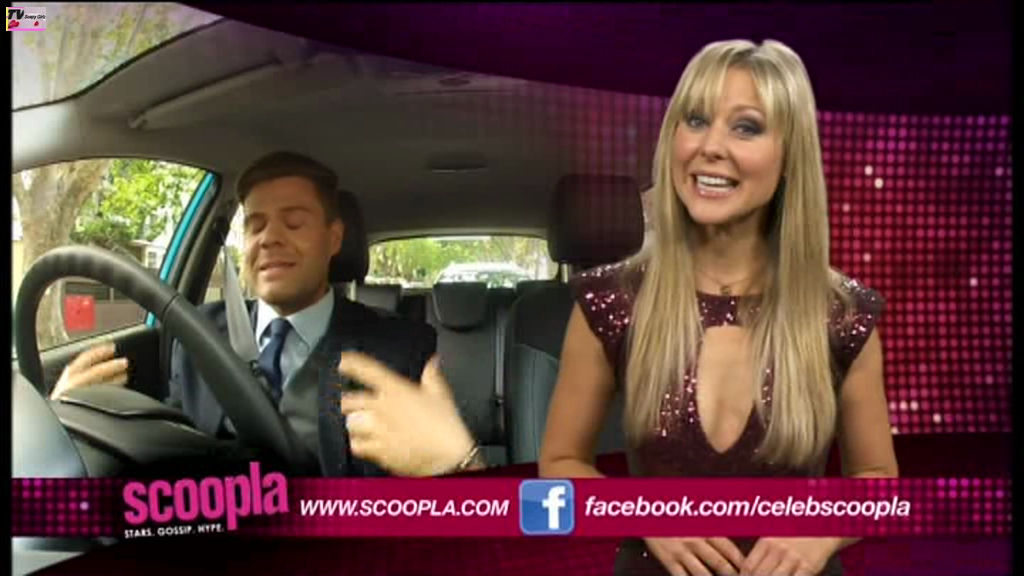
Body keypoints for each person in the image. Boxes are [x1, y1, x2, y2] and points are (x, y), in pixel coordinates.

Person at [538, 40, 899, 576]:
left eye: (745, 127)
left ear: (789, 157)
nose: (710, 146)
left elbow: (879, 484)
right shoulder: (611, 302)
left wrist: (824, 528)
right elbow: (557, 470)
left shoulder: (844, 314)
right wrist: (645, 512)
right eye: (696, 120)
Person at [51, 151, 484, 478]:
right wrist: (69, 422)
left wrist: (459, 464)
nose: (269, 238)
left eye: (293, 223)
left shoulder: (402, 347)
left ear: (334, 239)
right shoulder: (198, 332)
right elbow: (166, 449)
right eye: (255, 225)